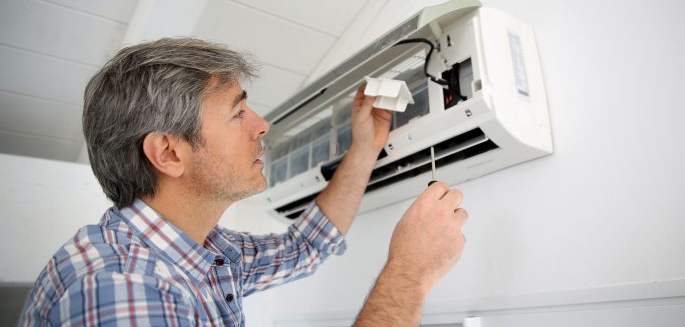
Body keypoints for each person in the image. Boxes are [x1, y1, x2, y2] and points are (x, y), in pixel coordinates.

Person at [18, 37, 468, 326]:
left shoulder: (203, 251)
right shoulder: (124, 285)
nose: (262, 125)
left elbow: (304, 249)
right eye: (238, 113)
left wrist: (364, 148)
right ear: (169, 153)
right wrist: (410, 274)